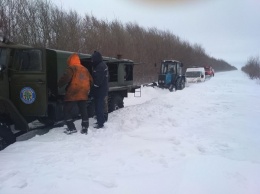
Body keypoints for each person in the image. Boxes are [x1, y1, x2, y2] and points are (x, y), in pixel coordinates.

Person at [58, 53, 93, 134]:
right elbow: (91, 81)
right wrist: (87, 88)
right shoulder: (85, 69)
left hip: (73, 92)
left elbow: (65, 78)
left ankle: (71, 128)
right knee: (83, 110)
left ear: (70, 61)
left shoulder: (71, 68)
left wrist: (59, 84)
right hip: (83, 92)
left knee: (67, 111)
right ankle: (85, 128)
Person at [90, 51, 109, 128]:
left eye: (93, 59)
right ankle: (100, 121)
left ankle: (100, 123)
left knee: (99, 107)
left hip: (100, 91)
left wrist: (92, 87)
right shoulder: (103, 65)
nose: (92, 61)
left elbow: (98, 82)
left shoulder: (100, 67)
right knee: (99, 106)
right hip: (102, 90)